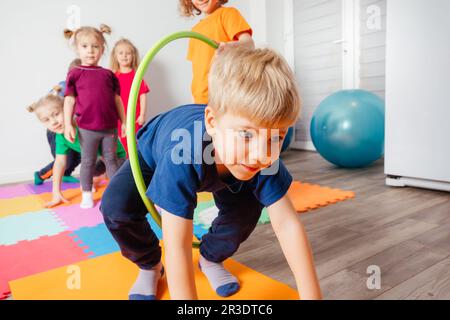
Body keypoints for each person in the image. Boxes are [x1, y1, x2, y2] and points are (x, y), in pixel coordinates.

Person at [100, 48, 322, 300]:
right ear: (213, 123)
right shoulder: (181, 154)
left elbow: (287, 225)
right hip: (154, 153)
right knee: (116, 208)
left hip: (222, 161)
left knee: (246, 211)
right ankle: (149, 264)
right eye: (246, 134)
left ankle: (210, 258)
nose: (261, 154)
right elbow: (178, 246)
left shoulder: (261, 152)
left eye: (277, 137)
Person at [63, 24, 126, 208]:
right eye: (85, 46)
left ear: (102, 49)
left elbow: (117, 99)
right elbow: (69, 100)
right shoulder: (75, 74)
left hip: (109, 128)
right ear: (77, 49)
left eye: (95, 46)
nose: (90, 51)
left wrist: (124, 121)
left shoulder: (108, 75)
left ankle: (116, 193)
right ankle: (86, 194)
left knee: (111, 160)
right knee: (88, 161)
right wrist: (68, 124)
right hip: (87, 129)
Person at [28, 91, 126, 208]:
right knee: (86, 175)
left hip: (114, 156)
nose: (53, 122)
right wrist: (56, 193)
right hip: (95, 160)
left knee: (121, 182)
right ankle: (100, 177)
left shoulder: (82, 125)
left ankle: (104, 177)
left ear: (67, 109)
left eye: (56, 114)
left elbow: (107, 150)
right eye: (46, 120)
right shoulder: (60, 137)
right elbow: (59, 162)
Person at [179, 0, 255, 104]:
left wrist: (228, 46)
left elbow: (249, 44)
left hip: (224, 97)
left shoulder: (228, 14)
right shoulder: (195, 31)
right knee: (199, 121)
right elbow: (196, 72)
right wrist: (193, 101)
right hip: (200, 100)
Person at [34, 59, 82, 185]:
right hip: (56, 130)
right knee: (63, 158)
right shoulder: (63, 87)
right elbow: (47, 105)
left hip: (70, 127)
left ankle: (66, 173)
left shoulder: (84, 90)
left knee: (78, 154)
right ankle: (41, 175)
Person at [110, 38, 150, 155]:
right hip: (117, 117)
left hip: (134, 115)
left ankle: (132, 166)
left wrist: (142, 115)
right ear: (115, 56)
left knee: (133, 141)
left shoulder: (137, 76)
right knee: (118, 142)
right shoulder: (112, 76)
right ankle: (121, 166)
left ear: (133, 55)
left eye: (128, 53)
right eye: (121, 53)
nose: (124, 56)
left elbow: (142, 95)